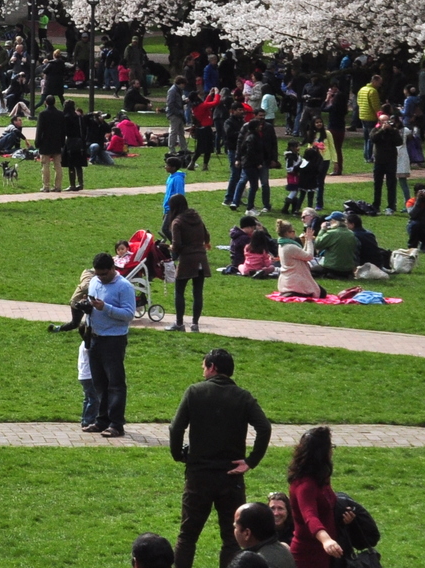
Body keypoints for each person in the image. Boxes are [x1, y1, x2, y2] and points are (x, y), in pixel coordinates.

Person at [168, 347, 273, 568]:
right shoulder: (243, 397)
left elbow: (176, 428)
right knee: (231, 538)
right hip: (231, 478)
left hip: (198, 476)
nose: (202, 371)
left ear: (212, 367)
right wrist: (251, 461)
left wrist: (179, 455)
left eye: (204, 366)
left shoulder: (195, 392)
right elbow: (264, 428)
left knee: (187, 536)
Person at [85, 250, 137, 438]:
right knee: (99, 383)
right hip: (95, 337)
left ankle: (116, 424)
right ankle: (102, 420)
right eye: (98, 274)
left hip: (114, 340)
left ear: (113, 269)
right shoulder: (94, 282)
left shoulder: (124, 287)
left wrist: (105, 308)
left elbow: (129, 315)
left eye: (104, 274)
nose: (100, 278)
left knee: (115, 384)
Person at [284, 426, 351, 567]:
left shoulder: (320, 478)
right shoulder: (304, 485)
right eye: (330, 447)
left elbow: (327, 506)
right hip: (308, 556)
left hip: (327, 553)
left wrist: (343, 518)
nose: (332, 451)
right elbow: (310, 516)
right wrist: (326, 540)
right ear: (322, 452)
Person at [167, 194, 212, 332]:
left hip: (187, 259)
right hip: (201, 258)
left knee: (179, 291)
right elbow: (207, 236)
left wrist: (168, 247)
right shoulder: (197, 217)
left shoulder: (177, 222)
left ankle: (179, 324)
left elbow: (177, 245)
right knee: (197, 293)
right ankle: (195, 324)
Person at [230, 503, 295, 568]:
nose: (234, 530)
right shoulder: (283, 549)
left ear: (247, 533)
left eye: (235, 527)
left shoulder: (255, 564)